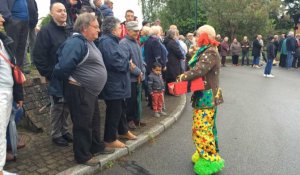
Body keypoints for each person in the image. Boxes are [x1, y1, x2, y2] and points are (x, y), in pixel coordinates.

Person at [53, 13, 115, 166]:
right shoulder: (76, 42)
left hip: (89, 91)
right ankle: (82, 156)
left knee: (93, 120)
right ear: (84, 28)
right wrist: (72, 81)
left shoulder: (88, 42)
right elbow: (62, 68)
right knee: (82, 123)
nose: (99, 30)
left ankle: (95, 146)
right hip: (79, 90)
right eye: (96, 27)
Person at [177, 25, 224, 175]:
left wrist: (182, 76)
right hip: (203, 96)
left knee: (203, 129)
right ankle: (203, 152)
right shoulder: (205, 50)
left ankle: (210, 159)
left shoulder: (210, 51)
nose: (196, 38)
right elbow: (198, 66)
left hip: (207, 97)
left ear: (205, 36)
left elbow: (200, 70)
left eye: (198, 36)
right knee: (202, 127)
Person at [33, 2, 72, 147]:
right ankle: (56, 134)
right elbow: (38, 56)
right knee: (57, 106)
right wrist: (49, 73)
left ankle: (64, 130)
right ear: (51, 13)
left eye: (64, 10)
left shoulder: (68, 29)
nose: (63, 13)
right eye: (59, 11)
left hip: (69, 76)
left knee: (67, 105)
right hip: (55, 76)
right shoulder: (46, 31)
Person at [97, 16, 137, 148]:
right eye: (120, 28)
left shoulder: (113, 41)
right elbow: (115, 62)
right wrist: (128, 65)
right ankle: (109, 138)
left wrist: (126, 61)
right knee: (114, 110)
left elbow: (122, 57)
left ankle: (123, 130)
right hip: (113, 83)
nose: (121, 30)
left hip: (118, 82)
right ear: (113, 30)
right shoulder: (107, 42)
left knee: (120, 108)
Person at [0, 14, 24, 175]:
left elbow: (13, 66)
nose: (2, 19)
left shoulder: (4, 40)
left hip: (7, 92)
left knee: (2, 131)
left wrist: (18, 94)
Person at [120, 21, 146, 129]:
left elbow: (141, 59)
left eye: (138, 30)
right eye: (135, 31)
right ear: (128, 30)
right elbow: (127, 62)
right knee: (130, 101)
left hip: (138, 77)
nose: (137, 32)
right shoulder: (124, 43)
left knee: (137, 100)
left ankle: (136, 119)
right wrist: (138, 71)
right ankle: (129, 120)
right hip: (130, 79)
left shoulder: (136, 42)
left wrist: (143, 69)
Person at [0, 0, 29, 68]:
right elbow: (2, 4)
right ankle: (12, 71)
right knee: (12, 47)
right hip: (13, 21)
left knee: (21, 48)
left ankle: (19, 71)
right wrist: (9, 18)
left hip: (25, 21)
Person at [164, 29, 185, 95]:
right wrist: (182, 56)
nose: (177, 36)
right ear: (173, 35)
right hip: (173, 62)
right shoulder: (173, 42)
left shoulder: (165, 41)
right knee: (174, 77)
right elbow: (178, 52)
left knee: (169, 78)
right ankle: (173, 92)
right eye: (176, 34)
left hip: (168, 61)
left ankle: (168, 91)